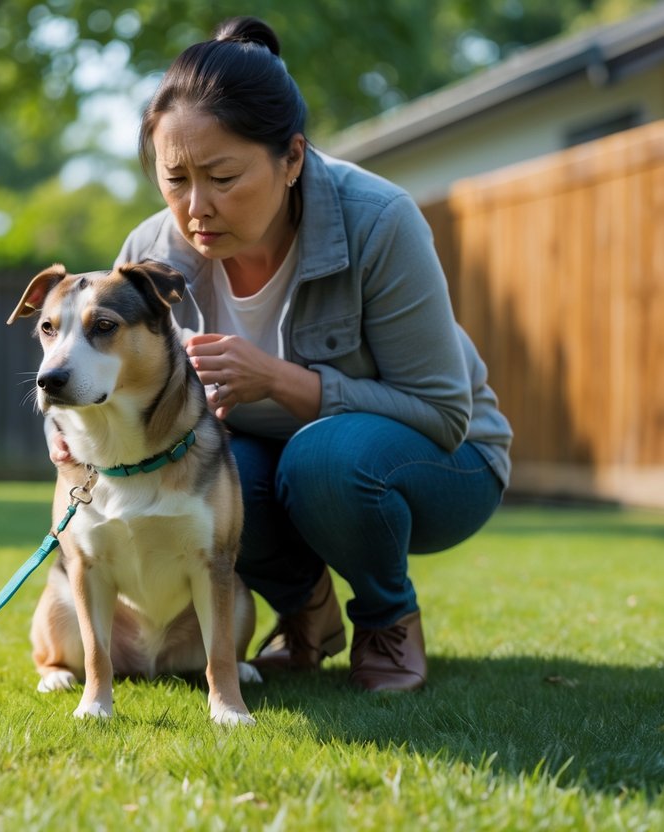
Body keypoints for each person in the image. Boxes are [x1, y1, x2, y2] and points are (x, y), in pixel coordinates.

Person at [49, 16, 512, 692]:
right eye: (174, 179)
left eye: (223, 176)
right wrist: (67, 434)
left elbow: (443, 412)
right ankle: (305, 609)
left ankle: (386, 618)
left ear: (291, 158)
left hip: (441, 464)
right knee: (212, 469)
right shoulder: (151, 254)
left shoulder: (379, 221)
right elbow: (99, 372)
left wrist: (281, 381)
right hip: (267, 466)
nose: (195, 207)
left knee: (321, 458)